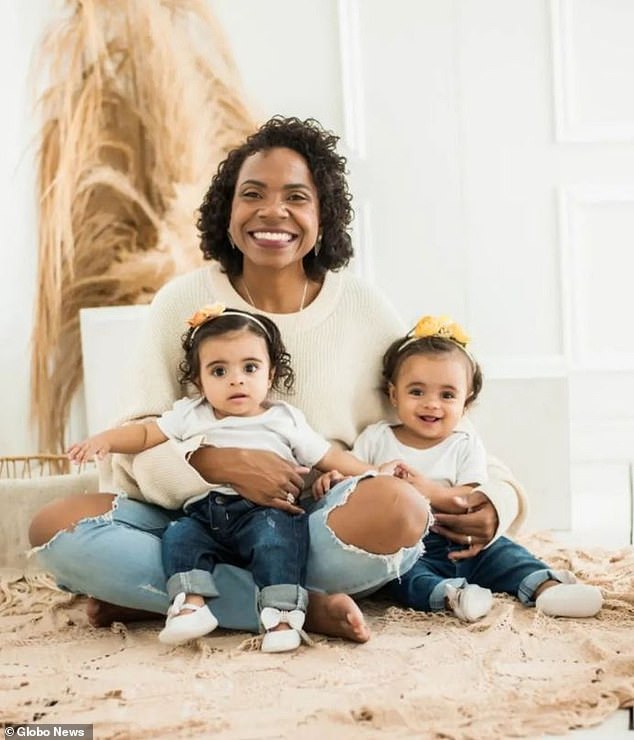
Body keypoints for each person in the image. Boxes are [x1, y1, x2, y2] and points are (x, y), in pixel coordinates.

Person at [29, 116, 525, 642]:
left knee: (400, 510)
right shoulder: (181, 302)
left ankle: (171, 594)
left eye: (296, 196)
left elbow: (433, 419)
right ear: (227, 211)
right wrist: (219, 462)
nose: (273, 212)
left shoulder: (361, 306)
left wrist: (498, 498)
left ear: (323, 215)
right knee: (53, 530)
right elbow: (139, 443)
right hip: (192, 520)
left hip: (311, 526)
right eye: (253, 194)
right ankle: (297, 606)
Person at [67, 304, 399, 650]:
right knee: (178, 537)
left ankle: (282, 616)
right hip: (204, 513)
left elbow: (329, 456)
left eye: (250, 367)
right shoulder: (191, 415)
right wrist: (104, 440)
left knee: (277, 545)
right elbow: (146, 435)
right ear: (199, 382)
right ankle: (190, 605)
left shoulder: (284, 419)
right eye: (219, 370)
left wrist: (373, 471)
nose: (236, 379)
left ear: (270, 376)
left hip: (266, 512)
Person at [350, 315, 603, 621]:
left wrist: (429, 491)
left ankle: (548, 588)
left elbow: (470, 495)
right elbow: (355, 483)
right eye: (417, 392)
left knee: (507, 554)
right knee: (401, 577)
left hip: (461, 537)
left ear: (465, 404)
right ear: (393, 394)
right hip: (409, 546)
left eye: (447, 395)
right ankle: (453, 596)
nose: (432, 404)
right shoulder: (377, 438)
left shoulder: (464, 442)